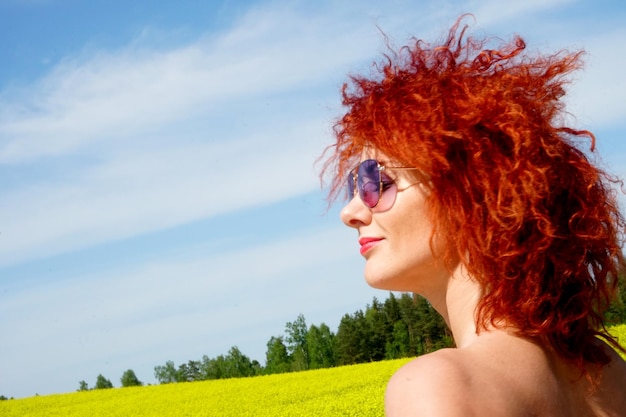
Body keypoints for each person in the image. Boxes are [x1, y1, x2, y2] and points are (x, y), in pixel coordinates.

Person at [321, 16, 626, 417]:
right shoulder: (608, 370)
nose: (351, 212)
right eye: (354, 187)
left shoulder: (437, 387)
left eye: (376, 181)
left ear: (471, 192)